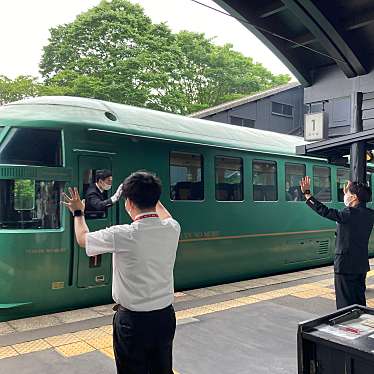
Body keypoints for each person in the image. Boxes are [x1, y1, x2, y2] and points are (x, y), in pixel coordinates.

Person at [63, 171, 181, 374]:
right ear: (155, 198)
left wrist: (78, 212)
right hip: (165, 317)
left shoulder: (122, 234)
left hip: (133, 323)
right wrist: (149, 189)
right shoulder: (172, 228)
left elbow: (83, 239)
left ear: (129, 203)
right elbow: (163, 214)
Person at [300, 176, 374, 309]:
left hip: (345, 265)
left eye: (348, 193)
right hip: (361, 265)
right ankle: (360, 325)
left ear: (355, 197)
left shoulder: (349, 213)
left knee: (345, 302)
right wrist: (352, 190)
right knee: (359, 299)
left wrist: (307, 195)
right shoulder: (369, 214)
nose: (345, 195)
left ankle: (347, 327)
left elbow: (325, 211)